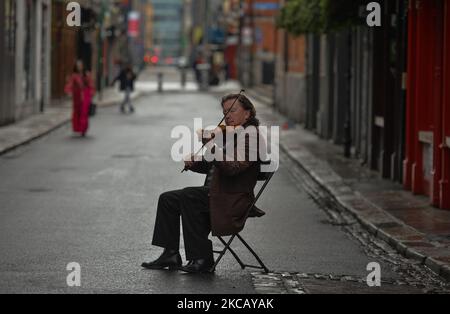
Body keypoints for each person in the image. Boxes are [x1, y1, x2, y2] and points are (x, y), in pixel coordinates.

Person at [142, 94, 265, 273]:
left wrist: (211, 146)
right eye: (224, 112)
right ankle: (170, 254)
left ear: (247, 114)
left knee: (189, 195)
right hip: (217, 193)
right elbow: (214, 166)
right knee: (168, 199)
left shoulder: (251, 137)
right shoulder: (233, 135)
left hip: (232, 199)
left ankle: (202, 258)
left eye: (232, 110)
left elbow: (233, 168)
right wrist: (195, 164)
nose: (227, 116)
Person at [64, 60, 95, 137]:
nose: (79, 67)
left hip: (86, 94)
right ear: (76, 67)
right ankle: (78, 127)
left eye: (80, 65)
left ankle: (83, 129)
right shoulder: (74, 75)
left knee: (84, 112)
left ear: (83, 66)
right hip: (77, 96)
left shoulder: (87, 74)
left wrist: (91, 92)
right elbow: (70, 84)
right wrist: (69, 91)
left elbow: (91, 84)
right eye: (78, 66)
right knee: (77, 112)